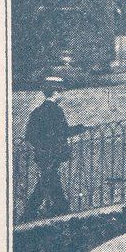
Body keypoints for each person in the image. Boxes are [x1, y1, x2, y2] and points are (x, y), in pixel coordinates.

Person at [21, 79, 84, 220]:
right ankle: (29, 213)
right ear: (56, 93)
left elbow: (30, 136)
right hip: (54, 154)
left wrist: (41, 148)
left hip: (43, 155)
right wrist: (81, 128)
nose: (63, 96)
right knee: (46, 182)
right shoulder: (56, 111)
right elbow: (64, 132)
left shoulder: (37, 112)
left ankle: (60, 208)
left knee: (49, 180)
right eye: (61, 92)